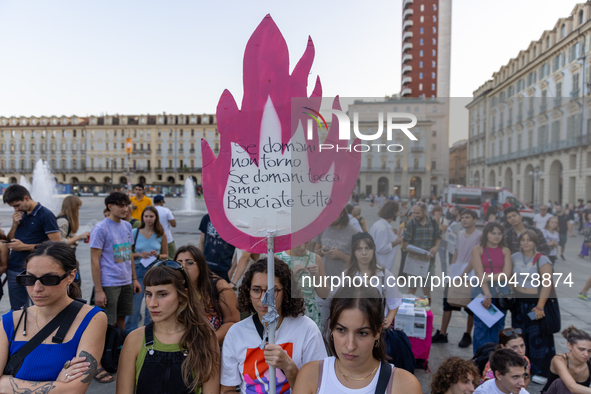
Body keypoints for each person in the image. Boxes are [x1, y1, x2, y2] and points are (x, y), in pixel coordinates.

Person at [0, 242, 107, 392]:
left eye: (49, 279)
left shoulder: (92, 318)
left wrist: (7, 384)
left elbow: (74, 390)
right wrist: (59, 386)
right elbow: (66, 389)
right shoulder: (9, 322)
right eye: (29, 279)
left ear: (71, 276)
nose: (36, 288)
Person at [220, 258, 327, 393]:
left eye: (272, 291)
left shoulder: (307, 329)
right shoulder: (236, 333)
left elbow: (319, 388)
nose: (264, 299)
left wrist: (289, 367)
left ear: (286, 292)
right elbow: (227, 389)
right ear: (248, 291)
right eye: (256, 290)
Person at [293, 285, 421, 394]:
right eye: (341, 330)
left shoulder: (405, 386)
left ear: (378, 332)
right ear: (331, 328)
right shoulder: (310, 376)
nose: (350, 346)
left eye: (362, 333)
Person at [117, 261, 220, 393]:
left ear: (183, 295)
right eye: (149, 294)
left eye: (162, 294)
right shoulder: (134, 339)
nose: (152, 303)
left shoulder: (204, 338)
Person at [3, 184, 61, 311]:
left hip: (35, 271)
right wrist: (14, 224)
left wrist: (24, 247)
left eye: (17, 205)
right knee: (17, 310)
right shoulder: (20, 214)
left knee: (39, 308)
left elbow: (56, 244)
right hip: (14, 268)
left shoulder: (45, 215)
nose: (15, 209)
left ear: (26, 198)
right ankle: (19, 331)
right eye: (13, 207)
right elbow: (9, 240)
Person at [90, 192, 142, 329]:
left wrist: (134, 279)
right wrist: (99, 290)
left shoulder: (127, 226)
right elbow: (94, 261)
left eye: (126, 205)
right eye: (120, 206)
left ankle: (120, 348)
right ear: (110, 207)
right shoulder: (100, 229)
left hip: (126, 281)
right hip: (109, 283)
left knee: (122, 318)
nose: (125, 209)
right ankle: (106, 350)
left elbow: (128, 254)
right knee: (106, 322)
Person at [511, 230, 556, 384]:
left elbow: (547, 284)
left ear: (535, 242)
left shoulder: (542, 259)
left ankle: (541, 371)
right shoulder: (514, 257)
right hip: (518, 304)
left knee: (538, 337)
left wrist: (540, 306)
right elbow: (508, 275)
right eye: (523, 239)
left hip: (534, 304)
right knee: (520, 335)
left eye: (529, 240)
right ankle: (522, 368)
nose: (526, 243)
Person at [433, 209, 479, 348]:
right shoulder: (459, 233)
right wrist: (453, 267)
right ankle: (442, 333)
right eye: (463, 217)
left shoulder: (479, 235)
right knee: (448, 301)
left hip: (471, 274)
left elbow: (476, 256)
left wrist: (465, 272)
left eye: (468, 217)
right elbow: (456, 251)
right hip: (457, 271)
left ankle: (467, 334)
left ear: (475, 220)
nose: (464, 220)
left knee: (470, 306)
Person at [175, 245, 240, 343]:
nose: (183, 266)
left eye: (189, 263)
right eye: (178, 263)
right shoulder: (173, 287)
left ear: (200, 266)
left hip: (213, 348)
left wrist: (209, 342)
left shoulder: (219, 286)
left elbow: (233, 321)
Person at [341, 233, 402, 329]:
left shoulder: (385, 275)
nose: (364, 253)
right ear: (354, 252)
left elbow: (394, 303)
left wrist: (389, 319)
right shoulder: (346, 275)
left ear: (373, 250)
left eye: (367, 248)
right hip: (353, 327)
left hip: (377, 328)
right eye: (359, 249)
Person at [470, 222, 513, 354]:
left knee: (498, 326)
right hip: (481, 292)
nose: (496, 236)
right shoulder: (478, 249)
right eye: (493, 233)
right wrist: (487, 294)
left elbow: (506, 274)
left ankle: (493, 360)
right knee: (481, 327)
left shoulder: (505, 250)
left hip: (501, 292)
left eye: (499, 233)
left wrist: (487, 277)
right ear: (486, 234)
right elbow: (478, 273)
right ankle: (479, 358)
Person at [125, 206, 168, 332]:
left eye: (151, 216)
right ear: (142, 217)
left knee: (152, 305)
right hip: (138, 270)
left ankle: (149, 333)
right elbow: (127, 254)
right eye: (146, 216)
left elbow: (166, 255)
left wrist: (158, 255)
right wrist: (139, 254)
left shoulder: (160, 233)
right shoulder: (135, 232)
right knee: (134, 307)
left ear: (156, 218)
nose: (148, 219)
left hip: (154, 270)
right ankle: (130, 334)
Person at [314, 208, 359, 325]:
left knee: (339, 322)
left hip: (342, 286)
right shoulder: (323, 227)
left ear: (342, 213)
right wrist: (322, 251)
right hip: (322, 283)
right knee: (322, 323)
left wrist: (341, 255)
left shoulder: (353, 232)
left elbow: (358, 260)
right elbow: (315, 253)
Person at [276, 241, 329, 330]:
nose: (302, 247)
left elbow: (324, 295)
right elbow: (275, 291)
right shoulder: (278, 258)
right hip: (287, 311)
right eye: (298, 243)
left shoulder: (315, 258)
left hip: (310, 312)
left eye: (306, 243)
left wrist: (316, 277)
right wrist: (291, 275)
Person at [402, 202, 441, 302]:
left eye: (418, 213)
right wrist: (422, 253)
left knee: (427, 290)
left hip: (429, 263)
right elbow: (405, 245)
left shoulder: (433, 222)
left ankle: (428, 312)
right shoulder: (411, 224)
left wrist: (436, 248)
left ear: (425, 211)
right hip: (414, 262)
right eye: (414, 213)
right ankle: (409, 311)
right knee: (412, 289)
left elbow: (438, 238)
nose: (415, 215)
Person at [540, 326, 591, 394]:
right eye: (581, 349)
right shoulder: (559, 359)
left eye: (589, 351)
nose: (586, 354)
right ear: (569, 346)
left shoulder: (589, 362)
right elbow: (572, 387)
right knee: (560, 383)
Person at [56, 196, 91, 291]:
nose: (79, 209)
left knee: (75, 284)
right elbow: (59, 241)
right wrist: (79, 237)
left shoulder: (67, 219)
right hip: (64, 258)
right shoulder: (63, 221)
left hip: (70, 256)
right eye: (78, 206)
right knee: (74, 284)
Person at [199, 213, 236, 282]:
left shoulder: (233, 220)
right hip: (206, 266)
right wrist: (199, 263)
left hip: (224, 268)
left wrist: (231, 271)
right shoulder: (207, 218)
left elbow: (240, 250)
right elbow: (201, 242)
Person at [369, 201, 403, 273]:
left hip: (381, 266)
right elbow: (380, 248)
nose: (399, 213)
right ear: (394, 212)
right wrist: (396, 242)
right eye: (398, 210)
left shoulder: (380, 225)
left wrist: (391, 234)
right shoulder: (382, 228)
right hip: (382, 266)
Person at [153, 194, 177, 258]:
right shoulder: (166, 210)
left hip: (153, 239)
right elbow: (174, 224)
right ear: (161, 201)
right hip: (167, 239)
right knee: (173, 258)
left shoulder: (150, 210)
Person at [433, 205, 450, 276]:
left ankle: (445, 276)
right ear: (434, 212)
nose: (439, 213)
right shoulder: (430, 220)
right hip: (433, 241)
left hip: (442, 241)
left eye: (440, 211)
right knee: (432, 260)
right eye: (437, 211)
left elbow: (443, 230)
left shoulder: (444, 220)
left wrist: (438, 222)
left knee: (443, 260)